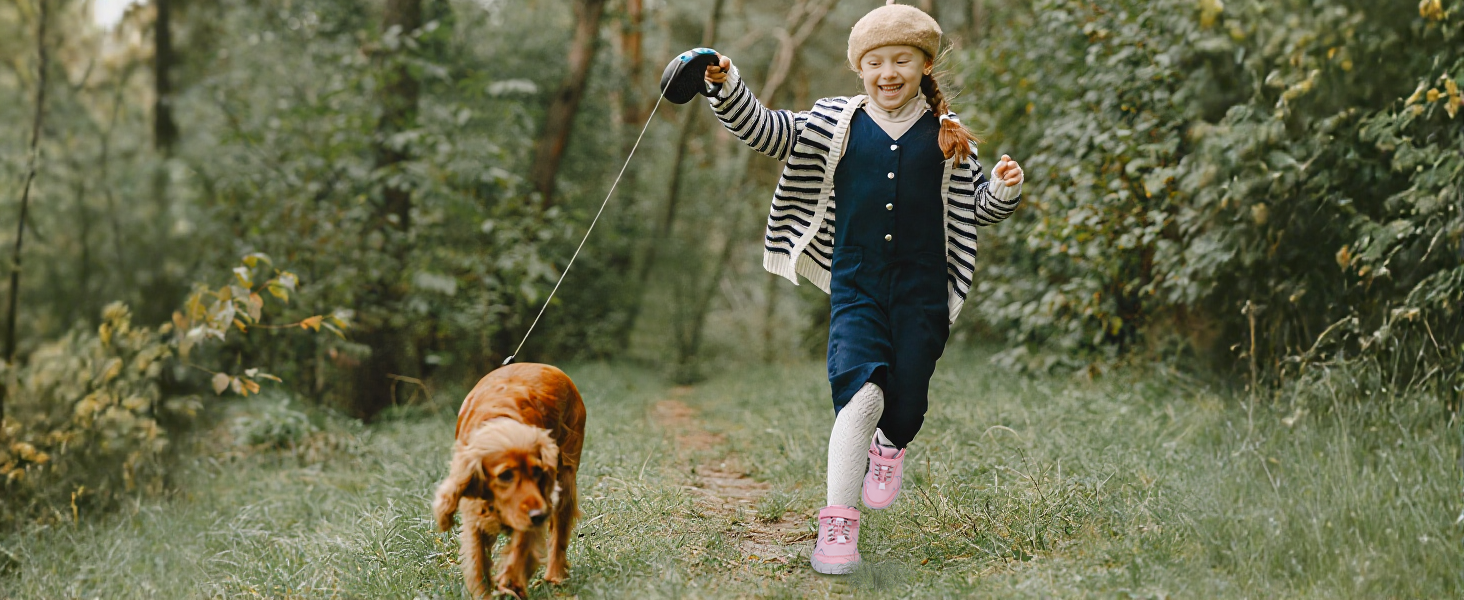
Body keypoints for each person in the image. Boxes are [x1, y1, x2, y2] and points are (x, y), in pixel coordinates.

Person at [702, 1, 1025, 574]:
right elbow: (768, 130)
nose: (888, 73)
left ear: (924, 66)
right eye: (875, 62)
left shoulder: (948, 136)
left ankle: (890, 446)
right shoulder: (835, 123)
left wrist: (1001, 190)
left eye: (902, 60)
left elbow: (978, 210)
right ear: (859, 68)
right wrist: (727, 85)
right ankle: (837, 528)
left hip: (924, 288)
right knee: (862, 392)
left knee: (905, 406)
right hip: (856, 283)